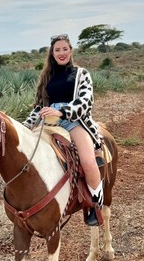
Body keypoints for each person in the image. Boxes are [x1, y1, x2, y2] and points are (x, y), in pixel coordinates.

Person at [23, 34, 104, 226]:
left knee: (88, 161)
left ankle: (95, 205)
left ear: (71, 51)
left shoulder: (81, 74)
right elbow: (39, 107)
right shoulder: (47, 77)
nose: (61, 53)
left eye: (64, 49)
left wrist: (61, 111)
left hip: (74, 122)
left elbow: (85, 103)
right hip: (48, 125)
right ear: (52, 53)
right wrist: (25, 127)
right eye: (57, 50)